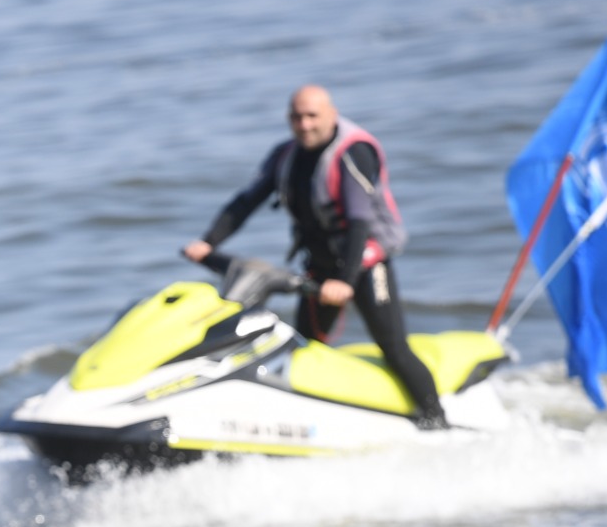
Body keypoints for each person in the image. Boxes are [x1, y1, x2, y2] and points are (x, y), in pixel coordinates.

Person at [181, 84, 449, 430]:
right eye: (296, 117)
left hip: (365, 262)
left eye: (312, 116)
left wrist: (344, 281)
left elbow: (358, 222)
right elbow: (245, 202)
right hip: (320, 266)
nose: (304, 124)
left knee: (393, 346)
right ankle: (312, 422)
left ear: (332, 115)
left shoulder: (354, 154)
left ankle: (437, 422)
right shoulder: (284, 155)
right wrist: (207, 242)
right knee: (304, 347)